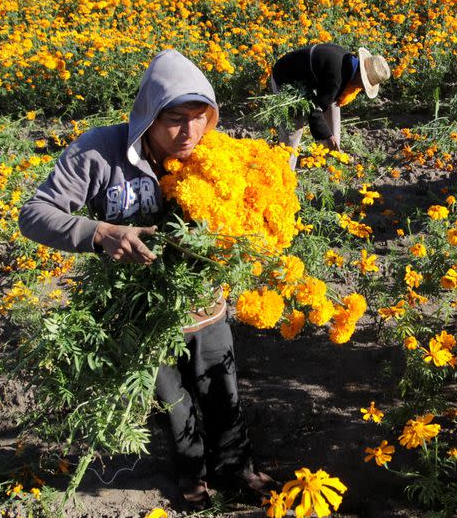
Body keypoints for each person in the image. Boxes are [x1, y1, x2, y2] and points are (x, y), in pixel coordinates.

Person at [17, 49, 273, 507]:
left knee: (221, 386)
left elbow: (256, 208)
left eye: (201, 118)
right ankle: (190, 476)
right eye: (175, 118)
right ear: (147, 115)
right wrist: (99, 232)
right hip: (143, 311)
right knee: (170, 399)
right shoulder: (99, 152)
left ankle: (238, 470)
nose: (189, 132)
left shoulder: (214, 154)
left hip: (204, 303)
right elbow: (34, 214)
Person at [271, 43, 391, 168]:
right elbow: (315, 112)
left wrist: (330, 136)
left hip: (308, 78)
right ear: (360, 77)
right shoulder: (336, 77)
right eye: (363, 85)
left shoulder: (348, 62)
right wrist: (327, 136)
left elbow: (327, 98)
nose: (360, 88)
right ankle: (284, 171)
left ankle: (333, 154)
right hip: (287, 79)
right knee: (294, 128)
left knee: (333, 103)